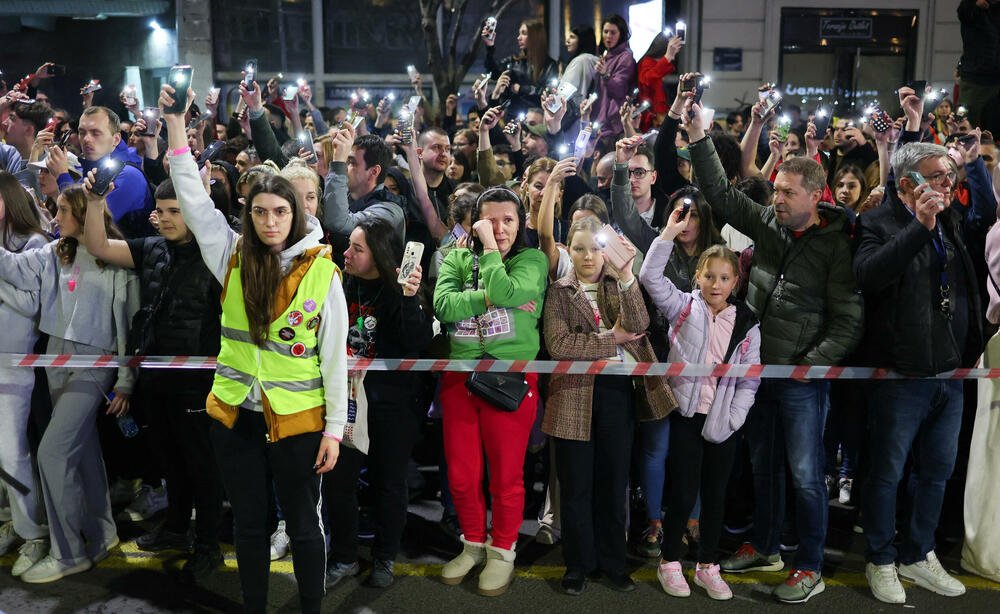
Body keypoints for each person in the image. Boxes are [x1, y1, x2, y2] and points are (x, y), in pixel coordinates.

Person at [160, 83, 347, 614]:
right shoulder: (232, 255)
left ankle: (311, 607)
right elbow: (194, 201)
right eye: (260, 212)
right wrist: (175, 127)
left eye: (279, 213)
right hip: (235, 415)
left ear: (296, 216)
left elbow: (334, 359)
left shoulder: (323, 272)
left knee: (304, 524)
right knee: (247, 524)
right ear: (250, 214)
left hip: (299, 420)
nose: (269, 222)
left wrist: (335, 429)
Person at [684, 98, 862, 603]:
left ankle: (809, 565)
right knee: (763, 466)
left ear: (814, 195)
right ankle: (765, 546)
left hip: (801, 380)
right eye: (776, 189)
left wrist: (811, 366)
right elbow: (718, 190)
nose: (776, 198)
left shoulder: (836, 244)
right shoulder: (767, 222)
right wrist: (698, 136)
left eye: (787, 192)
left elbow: (849, 318)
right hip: (756, 373)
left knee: (807, 477)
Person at [853, 140, 982, 604]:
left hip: (950, 373)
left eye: (951, 175)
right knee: (887, 472)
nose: (949, 185)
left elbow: (982, 212)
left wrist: (971, 166)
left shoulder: (950, 216)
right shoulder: (876, 221)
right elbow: (869, 276)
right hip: (900, 375)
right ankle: (881, 559)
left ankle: (918, 553)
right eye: (940, 176)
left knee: (937, 472)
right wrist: (919, 227)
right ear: (908, 183)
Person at [80, 178, 226, 583]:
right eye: (161, 211)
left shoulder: (217, 253)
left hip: (200, 380)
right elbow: (98, 247)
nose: (164, 219)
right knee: (170, 461)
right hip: (155, 375)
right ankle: (177, 529)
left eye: (174, 211)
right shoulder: (153, 247)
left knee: (202, 466)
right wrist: (95, 203)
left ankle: (209, 546)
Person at [0, 183, 137, 583]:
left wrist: (126, 381)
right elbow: (11, 267)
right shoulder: (53, 252)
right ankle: (103, 532)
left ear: (82, 213)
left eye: (61, 211)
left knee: (52, 454)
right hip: (55, 363)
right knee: (85, 453)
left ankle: (68, 553)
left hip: (95, 365)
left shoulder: (113, 255)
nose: (54, 217)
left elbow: (126, 324)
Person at [542, 216, 675, 595]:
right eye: (580, 248)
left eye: (597, 248)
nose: (589, 256)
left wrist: (629, 274)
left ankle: (614, 564)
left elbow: (639, 324)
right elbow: (559, 345)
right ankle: (577, 565)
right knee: (576, 487)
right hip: (571, 395)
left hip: (616, 394)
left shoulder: (619, 284)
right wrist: (611, 339)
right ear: (569, 250)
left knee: (613, 484)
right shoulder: (559, 291)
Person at [640, 209, 761, 602]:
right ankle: (670, 561)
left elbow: (750, 377)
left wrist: (736, 417)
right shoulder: (684, 308)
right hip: (687, 417)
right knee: (683, 492)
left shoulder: (747, 323)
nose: (716, 284)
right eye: (709, 276)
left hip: (722, 421)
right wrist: (668, 236)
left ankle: (708, 565)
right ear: (697, 277)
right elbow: (649, 278)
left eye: (725, 278)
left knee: (716, 494)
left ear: (735, 281)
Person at [433, 186, 548, 596]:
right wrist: (491, 297)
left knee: (506, 477)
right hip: (459, 378)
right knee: (462, 476)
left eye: (508, 220)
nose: (498, 229)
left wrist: (493, 276)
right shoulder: (455, 257)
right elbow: (443, 307)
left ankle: (503, 551)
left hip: (512, 380)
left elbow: (508, 291)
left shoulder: (533, 259)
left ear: (521, 223)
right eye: (489, 221)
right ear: (474, 221)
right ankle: (472, 544)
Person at [325, 217, 433, 589]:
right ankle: (344, 555)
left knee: (389, 484)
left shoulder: (398, 290)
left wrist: (407, 298)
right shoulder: (338, 284)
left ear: (380, 255)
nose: (347, 253)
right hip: (344, 400)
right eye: (349, 246)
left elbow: (415, 341)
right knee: (338, 483)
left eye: (358, 249)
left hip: (391, 404)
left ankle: (385, 557)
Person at [0, 172, 50, 577]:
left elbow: (31, 307)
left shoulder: (34, 243)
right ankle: (12, 524)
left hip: (14, 365)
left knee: (12, 454)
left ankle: (34, 533)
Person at [48, 106, 155, 238]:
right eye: (82, 132)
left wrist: (62, 176)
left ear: (115, 140)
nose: (86, 139)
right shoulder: (90, 172)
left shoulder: (127, 176)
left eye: (95, 133)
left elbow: (82, 227)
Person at [322, 123, 406, 248]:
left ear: (373, 172)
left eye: (351, 161)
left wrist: (338, 162)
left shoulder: (389, 212)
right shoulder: (348, 196)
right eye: (345, 160)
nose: (344, 167)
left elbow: (338, 223)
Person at [483, 19, 558, 116]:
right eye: (519, 33)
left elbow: (549, 94)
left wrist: (522, 89)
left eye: (524, 33)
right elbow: (493, 73)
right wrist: (490, 47)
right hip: (512, 116)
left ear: (535, 37)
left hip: (538, 119)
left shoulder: (550, 65)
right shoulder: (514, 61)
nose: (519, 38)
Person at [957, 0, 1000, 135]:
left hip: (995, 80)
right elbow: (964, 11)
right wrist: (974, 3)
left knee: (992, 133)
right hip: (975, 78)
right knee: (965, 129)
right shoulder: (971, 8)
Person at [593, 15, 637, 140]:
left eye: (613, 32)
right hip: (601, 121)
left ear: (621, 34)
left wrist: (606, 74)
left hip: (613, 124)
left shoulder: (625, 57)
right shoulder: (605, 54)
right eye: (605, 31)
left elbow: (619, 90)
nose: (608, 36)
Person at [637, 32, 683, 130]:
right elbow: (647, 80)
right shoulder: (648, 62)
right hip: (650, 121)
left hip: (657, 117)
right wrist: (668, 57)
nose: (676, 51)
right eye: (674, 48)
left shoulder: (657, 64)